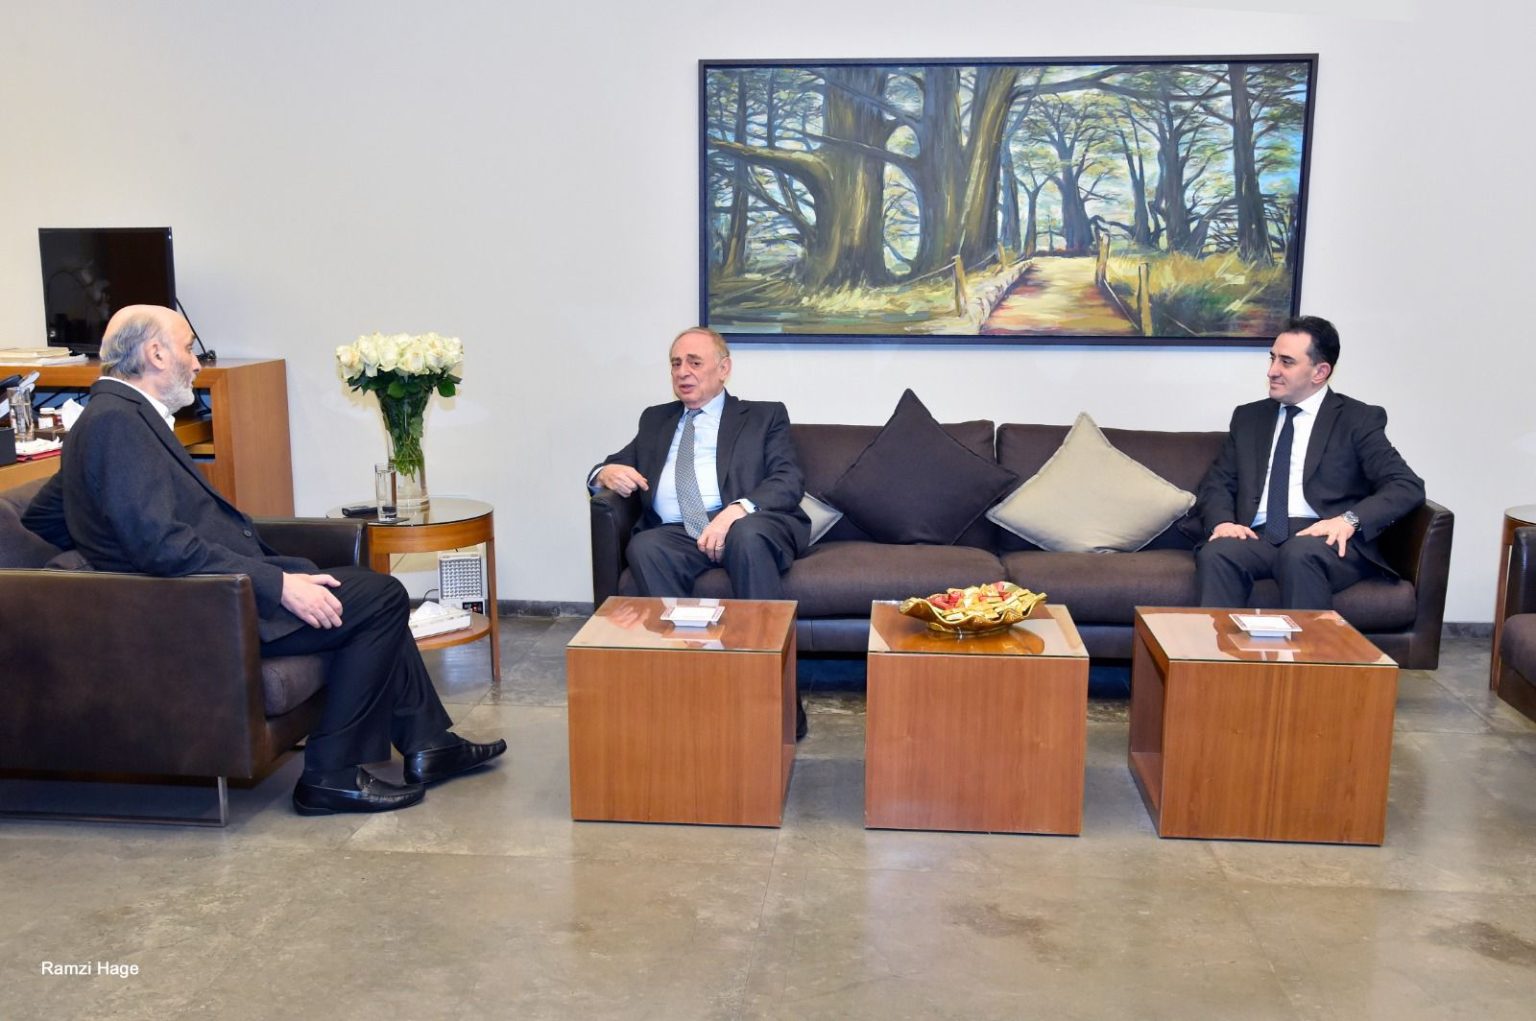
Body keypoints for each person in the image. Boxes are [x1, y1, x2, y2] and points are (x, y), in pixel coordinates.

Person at [57, 305, 505, 815]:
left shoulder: (112, 418)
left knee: (363, 590)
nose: (197, 362)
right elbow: (161, 545)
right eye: (187, 348)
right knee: (381, 597)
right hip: (205, 609)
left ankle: (430, 744)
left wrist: (94, 541)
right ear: (155, 354)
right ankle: (330, 775)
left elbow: (49, 513)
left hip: (217, 591)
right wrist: (278, 585)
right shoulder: (116, 424)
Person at [590, 326, 811, 733]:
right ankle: (689, 686)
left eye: (694, 362)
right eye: (676, 363)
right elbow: (615, 462)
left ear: (724, 369)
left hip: (748, 524)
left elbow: (787, 479)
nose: (682, 372)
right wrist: (604, 472)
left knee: (746, 537)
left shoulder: (764, 416)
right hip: (679, 532)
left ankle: (775, 702)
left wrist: (734, 512)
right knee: (646, 546)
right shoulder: (656, 419)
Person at [1193, 315, 1425, 609]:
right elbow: (1218, 482)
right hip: (1259, 536)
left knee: (1299, 554)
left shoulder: (1356, 419)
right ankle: (1217, 642)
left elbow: (1406, 485)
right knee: (1218, 552)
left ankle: (1309, 642)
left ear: (1320, 372)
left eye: (1286, 362)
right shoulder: (1249, 417)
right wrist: (1223, 522)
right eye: (1272, 358)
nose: (1272, 371)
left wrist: (1348, 520)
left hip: (1322, 537)